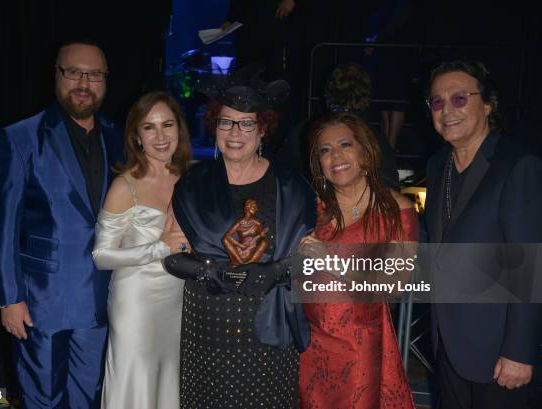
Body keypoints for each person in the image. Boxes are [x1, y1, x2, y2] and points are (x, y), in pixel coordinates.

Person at [162, 67, 316, 407]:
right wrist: (208, 271)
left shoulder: (292, 187)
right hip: (208, 324)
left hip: (269, 326)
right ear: (215, 126)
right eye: (226, 122)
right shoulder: (192, 184)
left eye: (247, 123)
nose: (235, 132)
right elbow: (172, 254)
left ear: (262, 130)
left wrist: (275, 272)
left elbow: (312, 257)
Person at [0, 41, 123, 408]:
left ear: (105, 81)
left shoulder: (119, 136)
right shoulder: (19, 138)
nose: (83, 82)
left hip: (105, 300)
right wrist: (8, 298)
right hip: (42, 301)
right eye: (73, 72)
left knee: (89, 399)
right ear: (57, 75)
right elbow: (1, 227)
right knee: (42, 400)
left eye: (94, 74)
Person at [424, 60, 542, 409]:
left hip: (499, 353)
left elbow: (530, 267)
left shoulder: (518, 164)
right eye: (437, 102)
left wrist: (519, 352)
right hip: (448, 343)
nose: (447, 110)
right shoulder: (436, 165)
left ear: (487, 104)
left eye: (460, 98)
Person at [298, 111, 417, 408]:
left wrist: (333, 264)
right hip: (307, 344)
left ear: (365, 152)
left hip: (360, 345)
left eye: (345, 145)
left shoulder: (396, 209)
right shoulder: (309, 207)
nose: (335, 155)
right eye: (325, 150)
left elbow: (396, 285)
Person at [91, 91, 192, 408]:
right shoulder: (126, 185)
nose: (160, 136)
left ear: (179, 130)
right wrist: (158, 247)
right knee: (135, 380)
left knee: (168, 381)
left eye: (168, 125)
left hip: (177, 301)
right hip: (135, 304)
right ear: (136, 136)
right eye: (149, 127)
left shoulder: (187, 179)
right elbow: (100, 256)